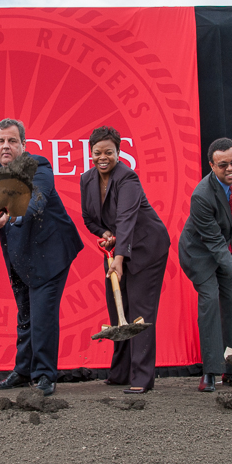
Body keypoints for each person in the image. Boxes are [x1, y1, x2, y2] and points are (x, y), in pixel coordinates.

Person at [0, 118, 83, 396]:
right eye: (1, 141)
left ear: (23, 144)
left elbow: (36, 201)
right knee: (25, 314)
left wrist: (8, 215)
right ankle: (23, 372)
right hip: (18, 255)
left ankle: (45, 375)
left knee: (42, 315)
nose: (6, 146)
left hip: (52, 252)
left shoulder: (39, 166)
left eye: (12, 141)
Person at [79, 126, 170, 394]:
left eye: (109, 152)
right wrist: (105, 234)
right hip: (119, 246)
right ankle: (120, 372)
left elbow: (127, 220)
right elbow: (89, 218)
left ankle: (142, 377)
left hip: (146, 247)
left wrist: (118, 256)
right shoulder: (86, 179)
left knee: (139, 312)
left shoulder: (127, 178)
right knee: (117, 308)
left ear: (118, 152)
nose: (102, 157)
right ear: (91, 153)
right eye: (97, 153)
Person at [178, 137, 232, 392]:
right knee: (211, 301)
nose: (230, 169)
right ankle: (211, 371)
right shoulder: (201, 196)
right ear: (212, 166)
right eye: (223, 165)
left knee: (231, 304)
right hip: (198, 253)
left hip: (225, 251)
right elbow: (213, 244)